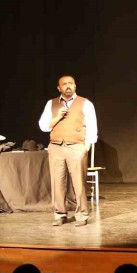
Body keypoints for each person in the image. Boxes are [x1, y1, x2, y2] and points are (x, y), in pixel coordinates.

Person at [39, 75, 98, 227]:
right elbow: (43, 126)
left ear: (75, 86)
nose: (68, 86)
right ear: (59, 88)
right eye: (64, 84)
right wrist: (57, 117)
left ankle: (82, 215)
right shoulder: (51, 104)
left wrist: (86, 147)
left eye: (71, 83)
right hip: (56, 146)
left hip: (76, 146)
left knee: (79, 183)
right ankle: (60, 214)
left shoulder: (85, 103)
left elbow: (92, 126)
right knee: (57, 182)